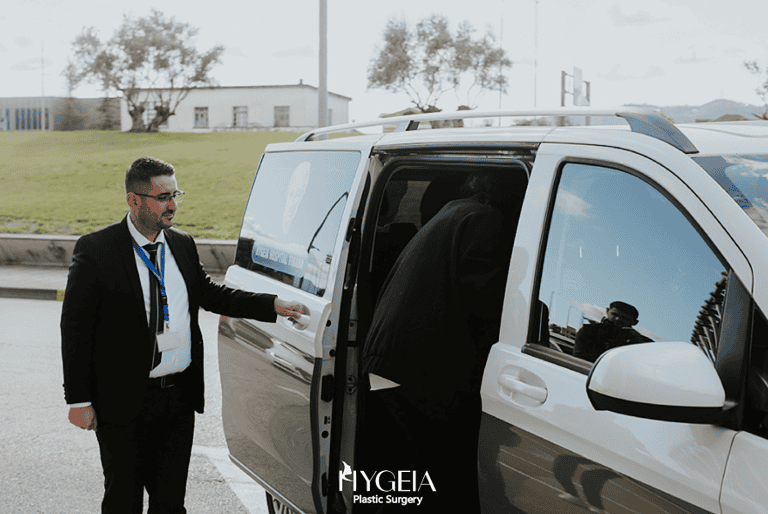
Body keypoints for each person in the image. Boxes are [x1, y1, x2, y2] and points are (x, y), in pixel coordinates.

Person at [60, 157, 302, 514]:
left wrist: (272, 304)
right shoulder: (97, 250)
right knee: (123, 500)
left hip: (176, 400)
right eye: (163, 197)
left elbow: (211, 295)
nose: (172, 205)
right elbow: (75, 329)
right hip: (122, 401)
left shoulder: (182, 244)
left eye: (176, 195)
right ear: (134, 201)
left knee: (171, 504)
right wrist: (78, 400)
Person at [359, 172, 521, 513]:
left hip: (393, 359)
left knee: (408, 472)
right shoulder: (486, 223)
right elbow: (488, 308)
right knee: (444, 478)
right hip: (419, 369)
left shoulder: (453, 212)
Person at [572, 301, 653, 363]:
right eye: (614, 314)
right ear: (607, 311)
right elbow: (579, 362)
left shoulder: (645, 344)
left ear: (635, 322)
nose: (618, 319)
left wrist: (639, 344)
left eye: (625, 318)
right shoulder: (589, 331)